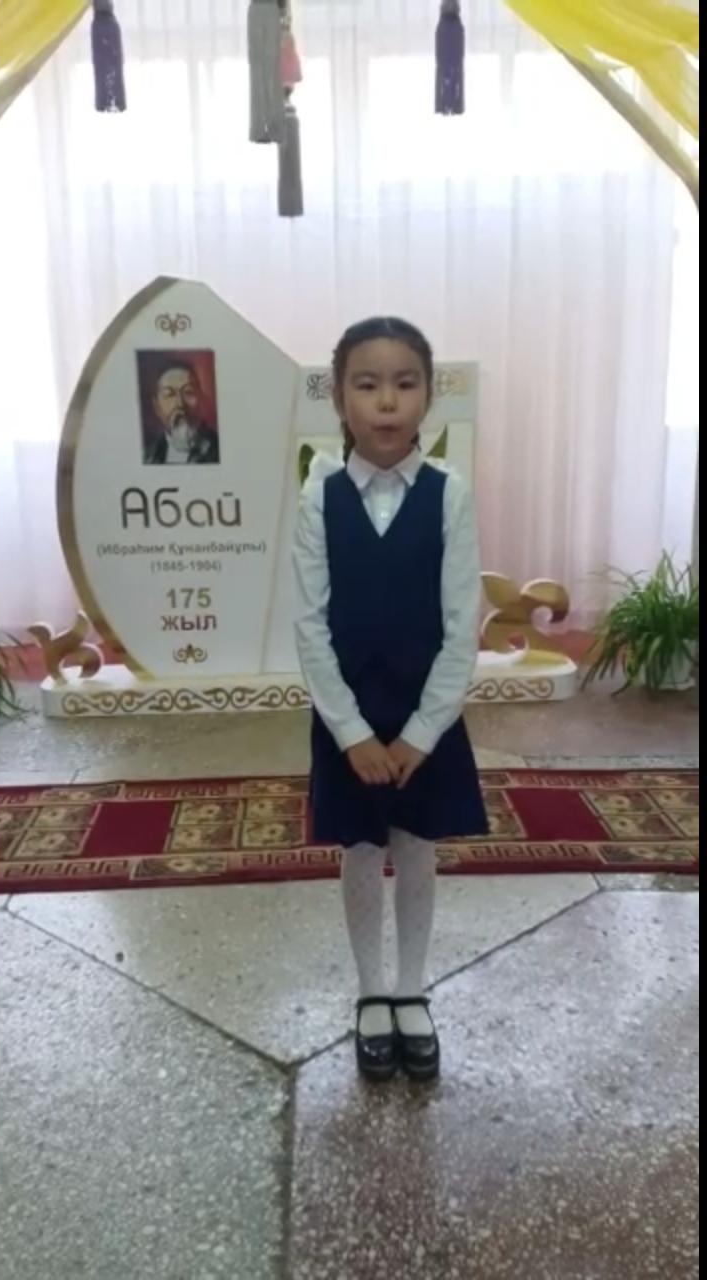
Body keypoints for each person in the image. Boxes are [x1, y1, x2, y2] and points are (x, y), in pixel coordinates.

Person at [294, 316, 487, 1083]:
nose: (386, 402)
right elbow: (309, 626)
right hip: (348, 716)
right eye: (367, 384)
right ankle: (371, 991)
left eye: (404, 384)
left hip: (423, 717)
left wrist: (421, 733)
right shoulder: (319, 497)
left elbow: (461, 627)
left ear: (428, 396)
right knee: (361, 849)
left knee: (416, 849)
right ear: (339, 398)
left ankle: (411, 989)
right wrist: (348, 731)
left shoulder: (449, 495)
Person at [143, 357, 219, 464]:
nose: (180, 403)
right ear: (157, 407)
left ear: (200, 399)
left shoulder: (218, 448)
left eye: (188, 392)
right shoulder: (148, 455)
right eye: (170, 394)